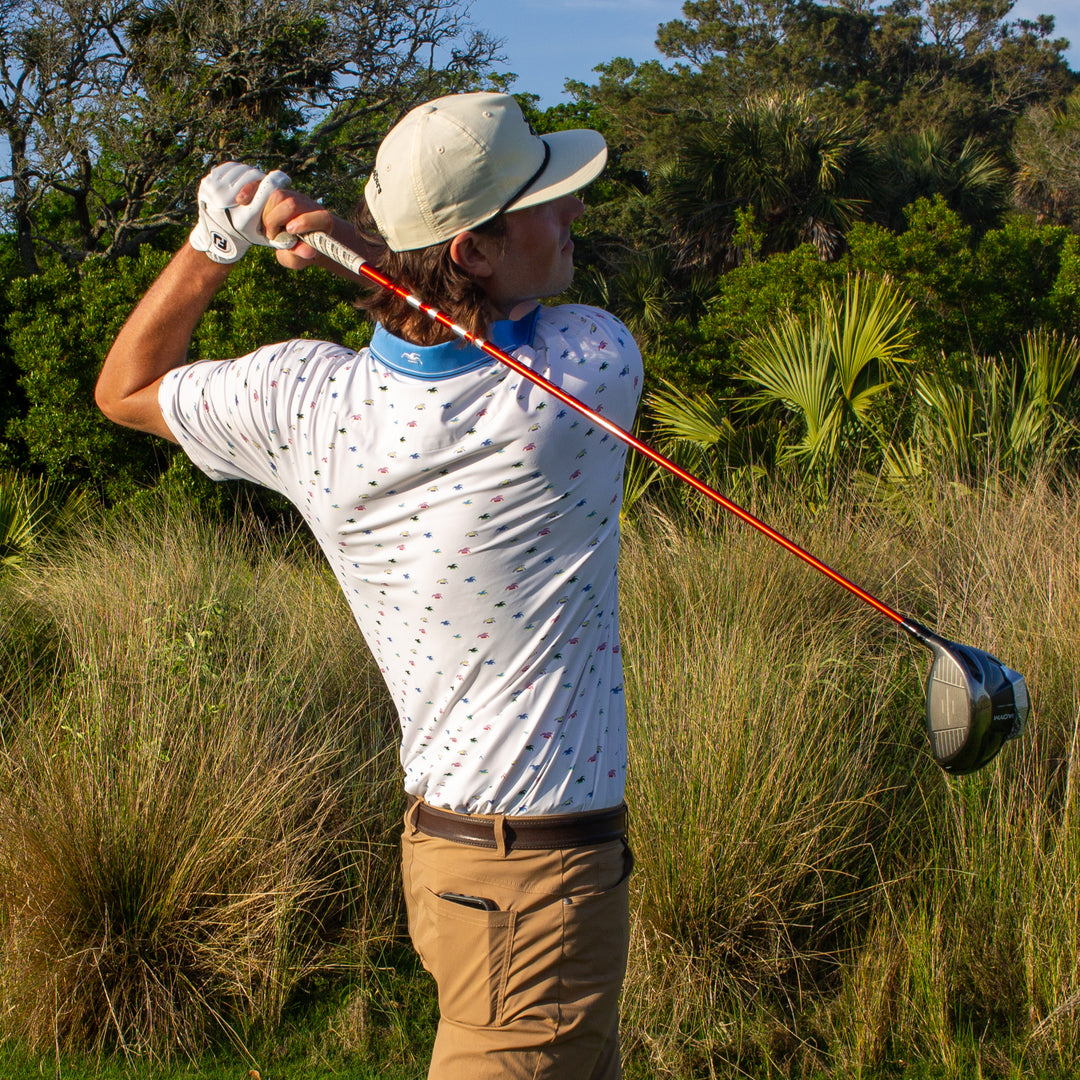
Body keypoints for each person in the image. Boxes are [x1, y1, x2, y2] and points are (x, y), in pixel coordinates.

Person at [95, 91, 643, 1080]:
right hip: (534, 881)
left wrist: (218, 237)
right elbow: (460, 327)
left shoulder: (298, 400)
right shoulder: (589, 366)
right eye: (547, 202)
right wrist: (341, 236)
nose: (571, 216)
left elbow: (126, 388)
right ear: (475, 249)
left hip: (460, 863)